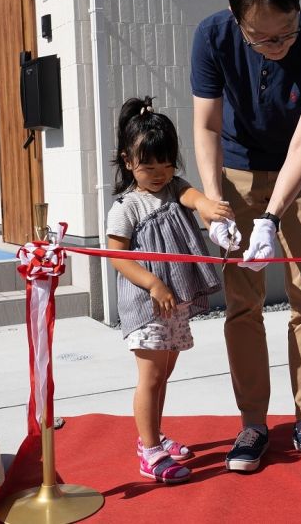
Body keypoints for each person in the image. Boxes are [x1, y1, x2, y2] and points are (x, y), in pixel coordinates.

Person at [190, 0, 301, 471]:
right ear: (239, 23)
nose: (278, 47)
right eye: (264, 39)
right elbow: (208, 126)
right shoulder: (212, 37)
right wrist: (215, 204)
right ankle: (253, 424)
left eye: (287, 33)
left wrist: (271, 216)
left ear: (298, 11)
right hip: (235, 169)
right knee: (243, 302)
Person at [106, 96, 234, 484]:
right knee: (149, 377)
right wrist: (153, 282)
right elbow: (117, 257)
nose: (159, 173)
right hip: (147, 305)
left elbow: (191, 196)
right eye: (148, 165)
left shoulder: (173, 187)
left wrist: (208, 207)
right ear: (128, 161)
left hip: (173, 303)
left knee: (163, 375)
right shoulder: (126, 207)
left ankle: (155, 436)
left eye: (166, 164)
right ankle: (148, 452)